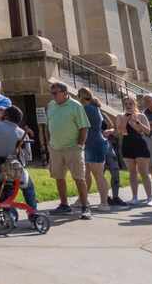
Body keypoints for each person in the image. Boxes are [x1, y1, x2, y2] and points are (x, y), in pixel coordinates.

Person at [46, 81, 92, 220]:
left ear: (65, 93)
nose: (53, 96)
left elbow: (84, 127)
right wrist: (49, 143)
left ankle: (85, 207)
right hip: (55, 148)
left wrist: (80, 145)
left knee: (79, 178)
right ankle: (64, 205)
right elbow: (49, 125)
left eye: (55, 93)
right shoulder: (51, 105)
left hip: (73, 148)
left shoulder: (75, 106)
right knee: (59, 177)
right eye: (51, 93)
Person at [0, 105, 38, 216]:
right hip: (12, 169)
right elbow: (28, 157)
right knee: (29, 186)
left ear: (5, 116)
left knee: (6, 186)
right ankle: (33, 213)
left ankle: (10, 213)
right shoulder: (21, 133)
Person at [78, 87, 110, 211]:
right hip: (93, 142)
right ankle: (82, 199)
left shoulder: (86, 108)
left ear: (81, 96)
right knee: (85, 174)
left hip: (93, 143)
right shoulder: (95, 107)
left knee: (98, 175)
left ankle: (104, 203)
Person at [118, 96, 152, 205]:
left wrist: (137, 122)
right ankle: (135, 197)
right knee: (132, 173)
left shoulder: (141, 116)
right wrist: (125, 121)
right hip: (127, 145)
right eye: (126, 104)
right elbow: (121, 132)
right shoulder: (120, 116)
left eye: (131, 104)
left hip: (140, 145)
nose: (128, 106)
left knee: (144, 173)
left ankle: (149, 198)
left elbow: (147, 131)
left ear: (135, 105)